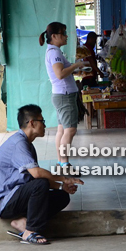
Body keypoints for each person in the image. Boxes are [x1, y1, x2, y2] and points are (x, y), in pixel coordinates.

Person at [0, 104, 84, 245]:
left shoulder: (27, 145)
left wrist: (61, 186)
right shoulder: (18, 143)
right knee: (41, 184)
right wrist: (64, 178)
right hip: (5, 202)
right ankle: (30, 231)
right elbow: (37, 174)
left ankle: (22, 222)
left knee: (62, 197)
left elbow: (33, 177)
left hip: (17, 196)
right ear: (32, 123)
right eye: (42, 121)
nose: (45, 125)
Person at [39, 22, 88, 171]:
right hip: (65, 95)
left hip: (61, 94)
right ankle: (65, 164)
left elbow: (62, 72)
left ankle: (61, 162)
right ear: (54, 36)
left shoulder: (54, 51)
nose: (66, 36)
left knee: (62, 130)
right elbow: (60, 74)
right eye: (63, 33)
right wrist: (76, 65)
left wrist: (75, 67)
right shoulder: (54, 53)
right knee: (70, 130)